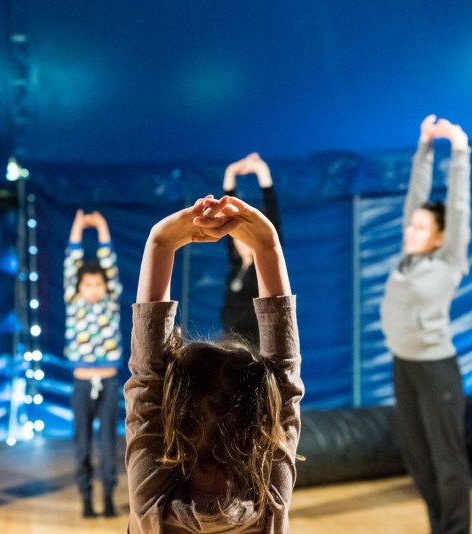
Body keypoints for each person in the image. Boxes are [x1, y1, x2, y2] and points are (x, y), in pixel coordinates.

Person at [125, 195, 303, 533]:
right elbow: (284, 378)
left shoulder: (151, 501)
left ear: (172, 414)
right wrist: (268, 245)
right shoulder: (270, 497)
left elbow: (147, 383)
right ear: (261, 414)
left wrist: (160, 242)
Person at [379, 115, 472, 534]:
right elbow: (415, 195)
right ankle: (440, 527)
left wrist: (458, 150)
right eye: (411, 225)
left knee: (447, 458)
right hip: (405, 365)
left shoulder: (449, 259)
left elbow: (457, 205)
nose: (412, 229)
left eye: (421, 227)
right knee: (417, 458)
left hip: (437, 369)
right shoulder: (407, 256)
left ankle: (454, 529)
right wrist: (424, 147)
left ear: (438, 237)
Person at [64, 209, 123, 518]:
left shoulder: (110, 301)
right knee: (82, 444)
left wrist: (101, 226)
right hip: (82, 382)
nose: (94, 289)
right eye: (87, 285)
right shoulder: (74, 302)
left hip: (110, 381)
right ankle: (86, 498)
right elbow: (71, 263)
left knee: (108, 444)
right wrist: (77, 227)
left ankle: (110, 496)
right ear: (79, 287)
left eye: (98, 284)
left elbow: (109, 265)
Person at [221, 153, 282, 346]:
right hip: (232, 345)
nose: (239, 242)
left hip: (257, 347)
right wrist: (230, 172)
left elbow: (272, 217)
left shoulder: (265, 264)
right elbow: (226, 215)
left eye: (245, 237)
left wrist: (262, 172)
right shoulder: (236, 264)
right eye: (237, 238)